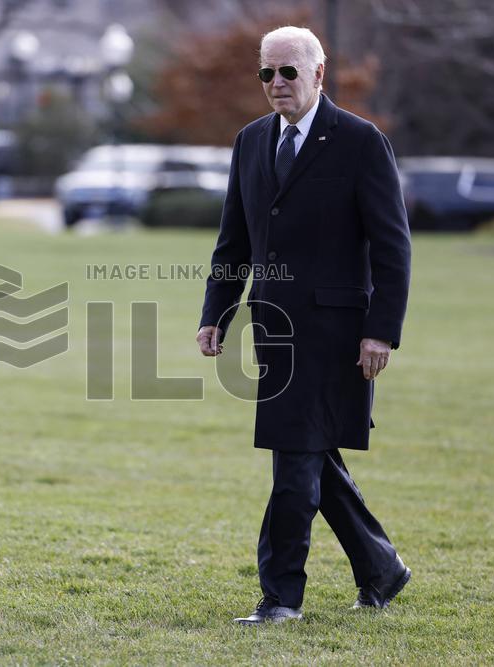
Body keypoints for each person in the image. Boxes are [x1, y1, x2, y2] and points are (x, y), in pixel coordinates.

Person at [196, 26, 412, 625]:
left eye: (288, 71)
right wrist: (216, 312)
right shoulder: (250, 141)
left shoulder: (361, 142)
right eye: (266, 72)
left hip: (337, 335)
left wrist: (381, 330)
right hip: (274, 333)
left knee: (295, 462)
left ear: (319, 73)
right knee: (310, 455)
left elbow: (392, 247)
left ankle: (281, 598)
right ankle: (382, 568)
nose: (276, 83)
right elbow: (233, 241)